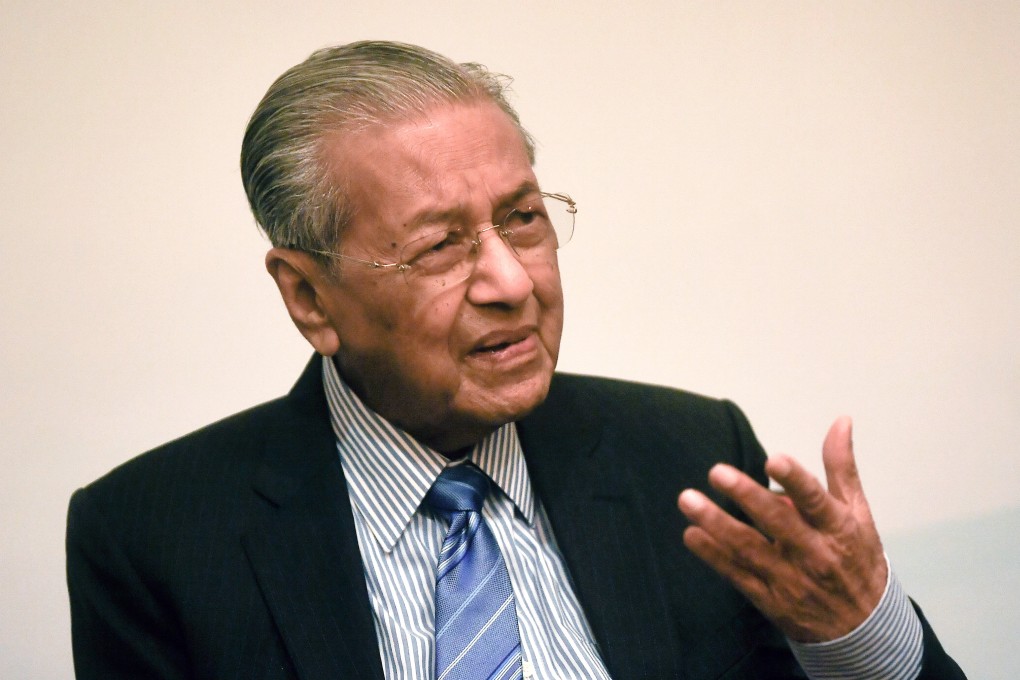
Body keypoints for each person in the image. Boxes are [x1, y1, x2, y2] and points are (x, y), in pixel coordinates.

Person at [66, 40, 966, 680]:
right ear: (309, 298)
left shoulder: (687, 454)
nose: (512, 281)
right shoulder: (155, 538)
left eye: (524, 219)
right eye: (441, 247)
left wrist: (855, 636)